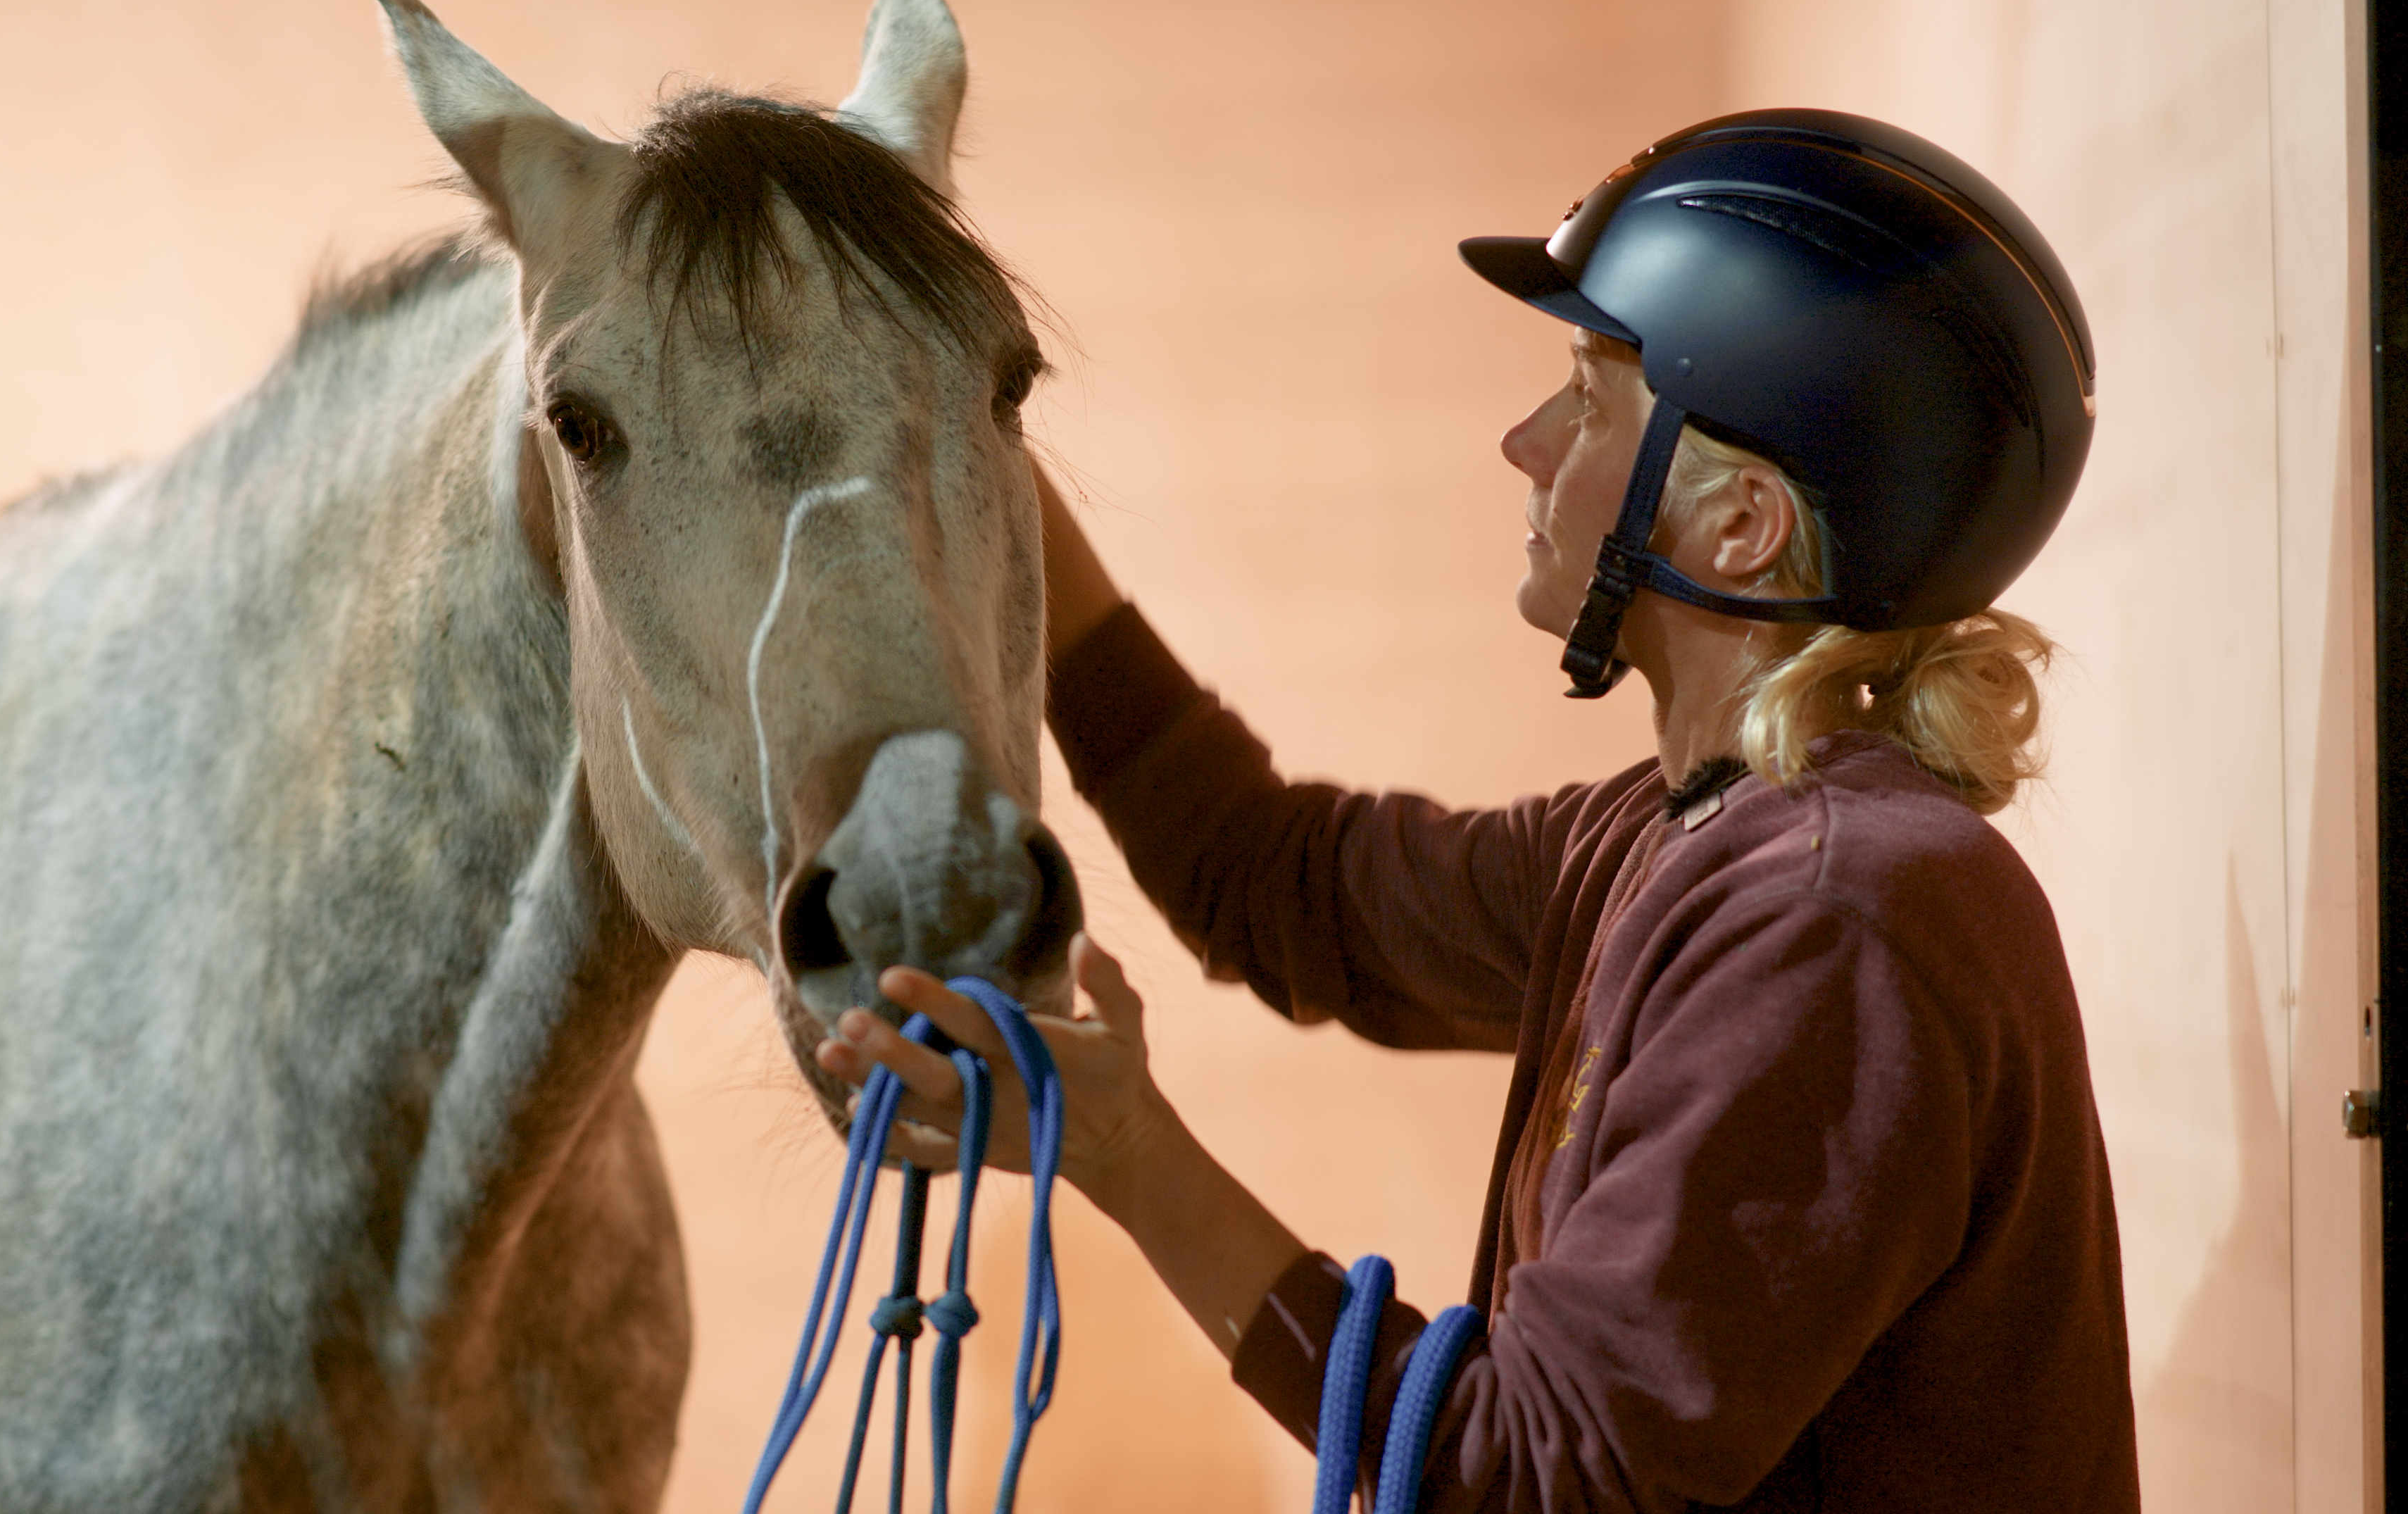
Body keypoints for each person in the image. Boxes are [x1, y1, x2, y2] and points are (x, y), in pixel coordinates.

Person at [815, 110, 2137, 1511]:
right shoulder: (1668, 842)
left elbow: (1518, 1479)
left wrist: (1132, 1159)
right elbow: (1277, 884)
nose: (1521, 443)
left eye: (1585, 399)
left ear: (1737, 527)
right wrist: (974, 459)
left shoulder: (1831, 920)